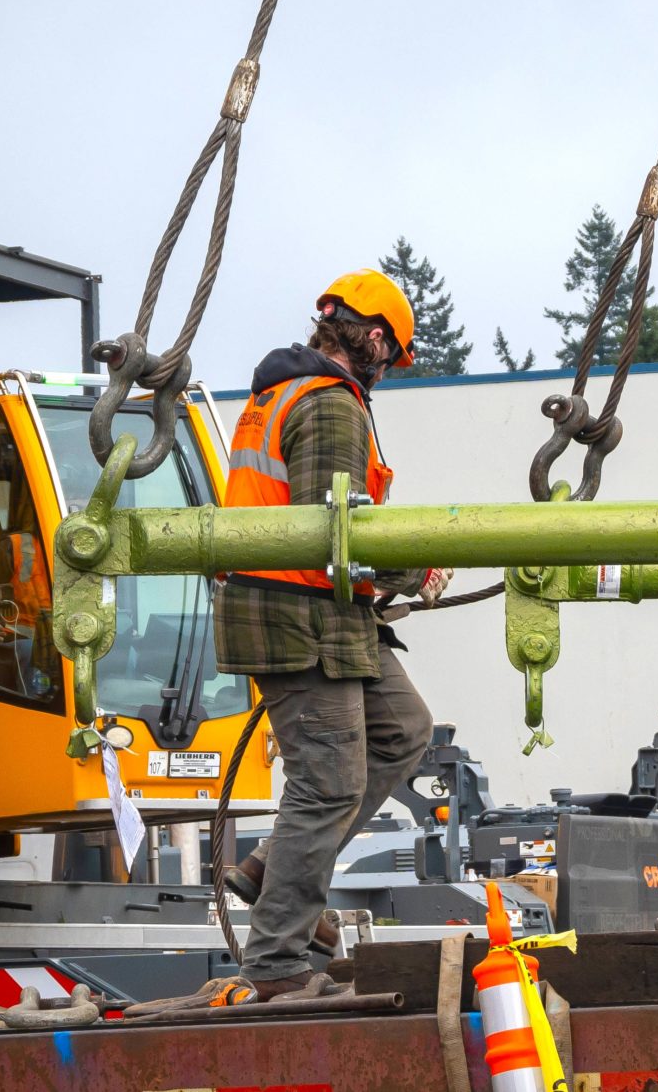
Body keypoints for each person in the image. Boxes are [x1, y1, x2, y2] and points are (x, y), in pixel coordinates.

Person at [210, 269, 450, 1001]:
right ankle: (276, 962)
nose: (388, 370)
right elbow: (332, 525)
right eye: (391, 356)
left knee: (403, 729)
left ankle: (271, 869)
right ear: (374, 338)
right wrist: (414, 568)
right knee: (327, 784)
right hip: (298, 614)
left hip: (321, 613)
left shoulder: (281, 394)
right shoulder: (330, 403)